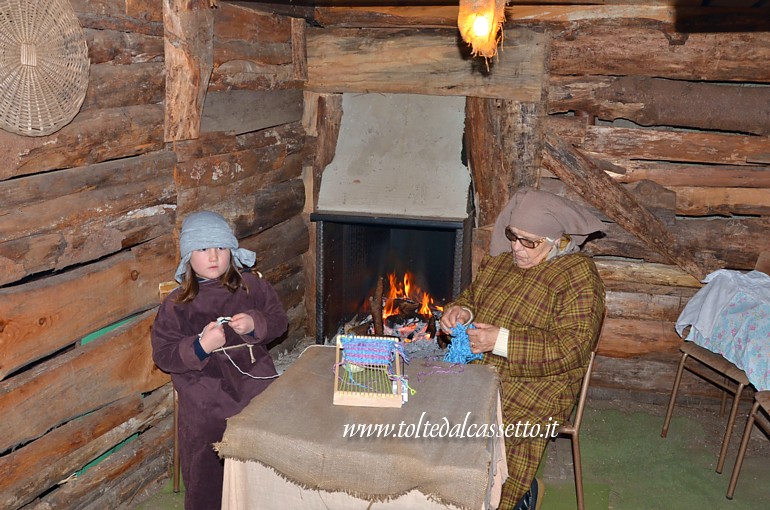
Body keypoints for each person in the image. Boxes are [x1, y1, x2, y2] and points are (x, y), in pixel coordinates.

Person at [440, 188, 606, 510]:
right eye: (512, 236)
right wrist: (460, 312)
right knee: (436, 417)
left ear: (555, 240)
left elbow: (572, 347)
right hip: (482, 369)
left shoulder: (579, 276)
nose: (516, 247)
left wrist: (499, 341)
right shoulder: (500, 264)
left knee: (490, 443)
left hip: (541, 383)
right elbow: (472, 298)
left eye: (528, 241)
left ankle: (517, 497)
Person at [152, 211, 288, 510]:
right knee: (206, 435)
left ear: (232, 251)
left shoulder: (252, 286)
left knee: (273, 421)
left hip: (253, 379)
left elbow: (279, 322)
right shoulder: (177, 304)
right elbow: (163, 354)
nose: (213, 256)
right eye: (202, 249)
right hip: (205, 387)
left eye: (220, 248)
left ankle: (263, 497)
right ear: (189, 256)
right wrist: (200, 347)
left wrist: (255, 323)